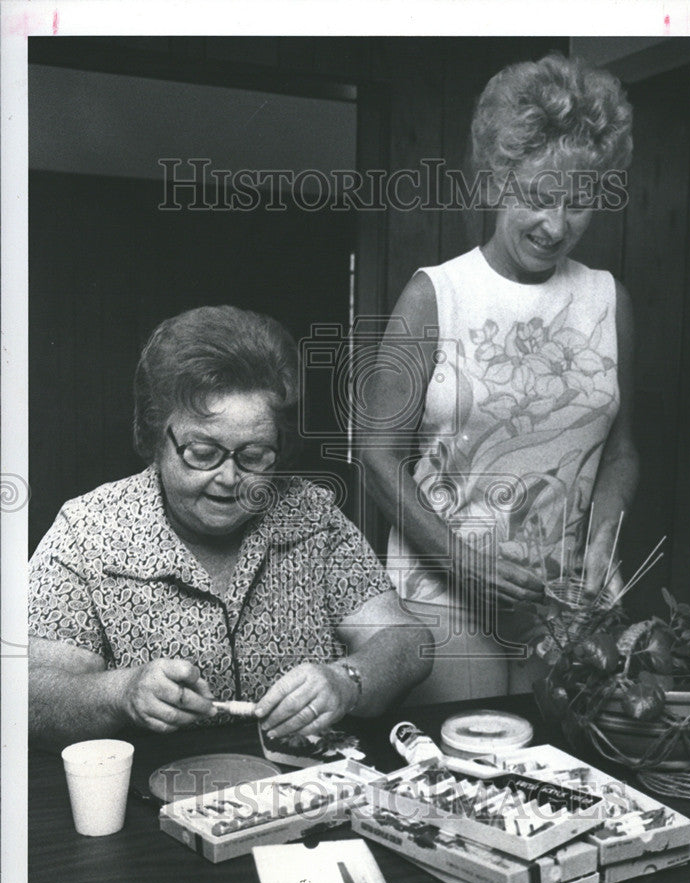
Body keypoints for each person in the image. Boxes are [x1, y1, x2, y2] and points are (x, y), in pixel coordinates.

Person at [359, 53, 639, 701]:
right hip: (445, 598)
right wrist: (462, 560)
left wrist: (603, 539)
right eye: (539, 197)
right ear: (496, 181)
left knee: (566, 781)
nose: (557, 224)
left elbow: (622, 450)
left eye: (580, 202)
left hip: (564, 603)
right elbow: (376, 456)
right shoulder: (435, 296)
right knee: (464, 782)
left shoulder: (608, 299)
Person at [29, 305, 432, 744]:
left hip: (300, 789)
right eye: (202, 453)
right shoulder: (87, 532)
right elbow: (28, 693)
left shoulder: (310, 516)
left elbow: (410, 642)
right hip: (155, 792)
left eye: (254, 456)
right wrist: (120, 693)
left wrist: (348, 680)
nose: (228, 479)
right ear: (153, 437)